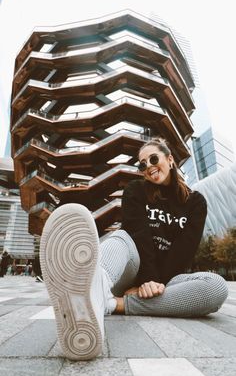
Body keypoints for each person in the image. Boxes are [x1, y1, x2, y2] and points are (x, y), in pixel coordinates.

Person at [40, 137, 228, 361]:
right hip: (132, 272)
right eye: (142, 164)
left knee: (216, 287)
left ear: (170, 160)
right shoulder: (135, 190)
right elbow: (139, 236)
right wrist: (145, 279)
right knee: (121, 236)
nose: (148, 166)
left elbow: (185, 250)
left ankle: (109, 304)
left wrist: (156, 283)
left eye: (153, 159)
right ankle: (96, 284)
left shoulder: (196, 202)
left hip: (168, 281)